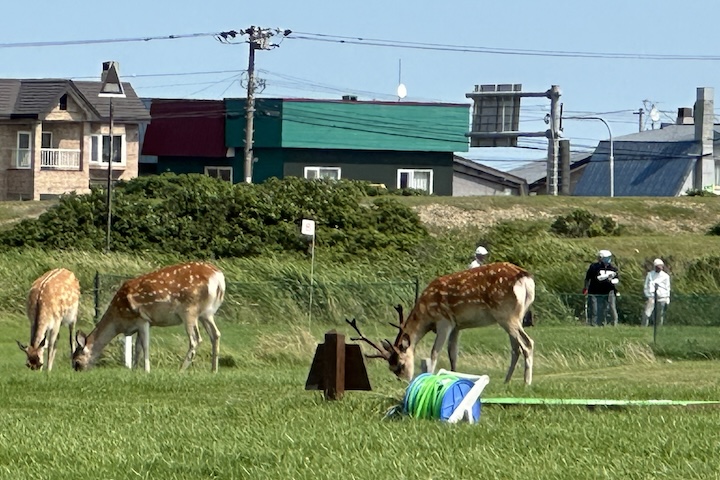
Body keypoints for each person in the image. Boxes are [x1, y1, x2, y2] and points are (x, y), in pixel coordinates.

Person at [583, 249, 619, 326]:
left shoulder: (613, 268)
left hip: (608, 291)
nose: (608, 259)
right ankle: (593, 324)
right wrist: (585, 288)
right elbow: (588, 278)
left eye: (609, 257)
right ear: (600, 258)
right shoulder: (594, 267)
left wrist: (613, 281)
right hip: (594, 291)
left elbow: (617, 278)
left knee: (606, 309)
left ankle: (604, 323)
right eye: (606, 257)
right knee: (594, 309)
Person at [642, 258, 671, 327]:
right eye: (657, 267)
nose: (659, 268)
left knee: (659, 314)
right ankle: (643, 327)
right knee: (647, 313)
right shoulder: (650, 275)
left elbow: (668, 288)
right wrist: (648, 295)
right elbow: (646, 285)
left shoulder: (666, 276)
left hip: (662, 297)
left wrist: (667, 298)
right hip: (651, 296)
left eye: (660, 266)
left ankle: (658, 328)